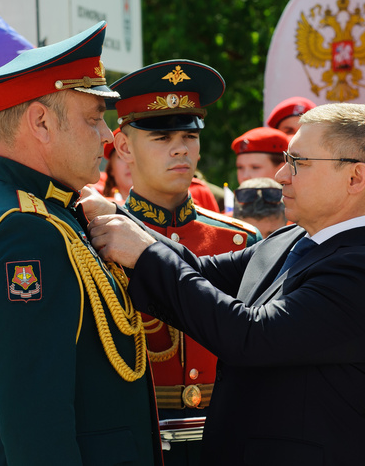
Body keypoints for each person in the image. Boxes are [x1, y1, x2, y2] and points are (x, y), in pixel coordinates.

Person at [86, 102, 365, 465]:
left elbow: (252, 336)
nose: (281, 176)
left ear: (355, 178)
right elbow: (200, 270)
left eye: (298, 162)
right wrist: (117, 219)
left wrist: (144, 253)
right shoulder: (296, 238)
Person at [0, 22, 161, 465]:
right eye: (93, 119)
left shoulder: (48, 211)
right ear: (42, 122)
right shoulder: (24, 229)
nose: (108, 136)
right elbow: (36, 421)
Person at [108, 58, 260, 465]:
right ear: (124, 146)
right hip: (137, 438)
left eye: (188, 135)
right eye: (160, 137)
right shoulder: (99, 239)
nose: (180, 148)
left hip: (227, 436)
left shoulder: (240, 240)